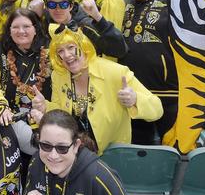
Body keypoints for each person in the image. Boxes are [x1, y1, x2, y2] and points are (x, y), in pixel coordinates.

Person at [34, 25, 163, 155]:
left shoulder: (115, 72)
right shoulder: (59, 76)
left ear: (83, 47)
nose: (67, 55)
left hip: (112, 156)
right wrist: (45, 106)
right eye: (60, 51)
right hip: (74, 155)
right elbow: (61, 112)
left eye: (71, 47)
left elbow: (157, 109)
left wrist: (135, 99)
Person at [119, 0, 179, 145]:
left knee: (172, 142)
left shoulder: (170, 2)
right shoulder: (127, 4)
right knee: (139, 144)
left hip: (167, 91)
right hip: (136, 91)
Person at [23, 110, 129, 195]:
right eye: (46, 146)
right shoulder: (36, 162)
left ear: (76, 146)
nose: (53, 155)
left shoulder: (99, 177)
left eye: (62, 148)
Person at [0, 8, 51, 116]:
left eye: (26, 26)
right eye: (15, 27)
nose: (21, 31)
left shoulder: (50, 50)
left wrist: (47, 106)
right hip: (8, 114)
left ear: (35, 29)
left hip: (45, 114)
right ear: (9, 31)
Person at [41, 0, 127, 60]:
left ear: (71, 6)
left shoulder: (86, 27)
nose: (58, 9)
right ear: (47, 7)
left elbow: (119, 51)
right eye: (52, 4)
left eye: (63, 4)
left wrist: (98, 18)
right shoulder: (44, 25)